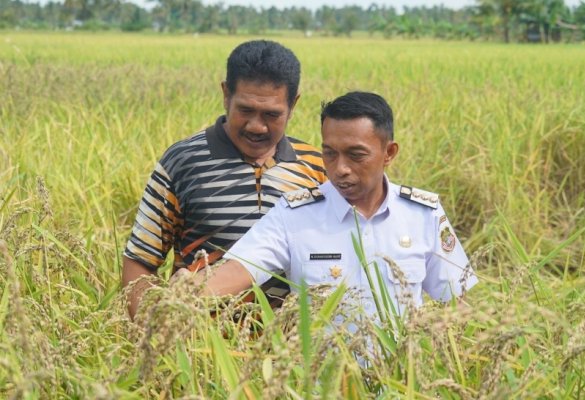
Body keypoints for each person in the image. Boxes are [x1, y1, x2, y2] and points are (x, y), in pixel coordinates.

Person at [175, 91, 478, 316]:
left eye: (356, 155)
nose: (340, 169)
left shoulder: (423, 214)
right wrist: (191, 290)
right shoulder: (294, 214)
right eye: (330, 153)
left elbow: (458, 304)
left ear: (389, 153)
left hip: (401, 380)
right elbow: (241, 269)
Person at [122, 40, 327, 319]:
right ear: (226, 95)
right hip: (199, 348)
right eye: (245, 110)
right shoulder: (182, 162)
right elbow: (140, 262)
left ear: (293, 105)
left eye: (271, 114)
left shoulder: (316, 167)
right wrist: (152, 338)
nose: (256, 126)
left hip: (289, 349)